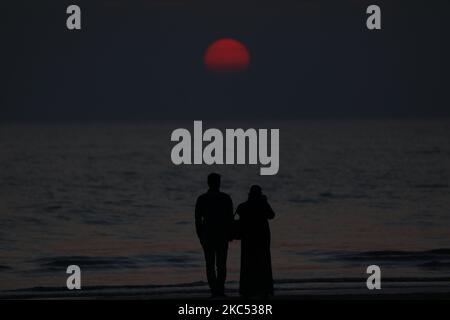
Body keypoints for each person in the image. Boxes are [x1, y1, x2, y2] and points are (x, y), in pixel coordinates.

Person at [195, 173, 234, 297]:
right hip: (222, 235)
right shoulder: (226, 198)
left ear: (208, 183)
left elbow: (197, 220)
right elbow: (230, 220)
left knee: (210, 265)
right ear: (218, 183)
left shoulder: (202, 198)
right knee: (221, 265)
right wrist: (231, 233)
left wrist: (200, 236)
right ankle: (220, 290)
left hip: (208, 235)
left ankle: (214, 290)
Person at [236, 185, 275, 298]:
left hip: (248, 238)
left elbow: (239, 210)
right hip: (262, 238)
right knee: (263, 263)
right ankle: (264, 288)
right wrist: (265, 201)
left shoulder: (243, 206)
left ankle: (247, 289)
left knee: (247, 264)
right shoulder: (262, 205)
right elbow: (271, 215)